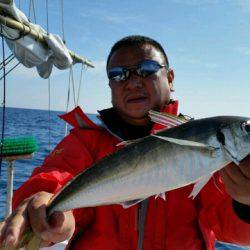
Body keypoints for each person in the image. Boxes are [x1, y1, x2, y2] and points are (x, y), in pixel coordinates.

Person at [0, 35, 250, 250]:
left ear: (170, 78)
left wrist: (246, 203)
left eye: (147, 69)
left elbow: (233, 229)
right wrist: (43, 203)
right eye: (118, 75)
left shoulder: (203, 142)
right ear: (110, 84)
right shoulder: (86, 140)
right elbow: (55, 176)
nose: (132, 82)